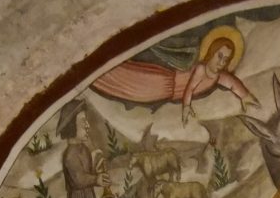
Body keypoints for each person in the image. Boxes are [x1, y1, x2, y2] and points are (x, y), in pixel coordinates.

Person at [91, 25, 258, 124]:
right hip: (164, 83)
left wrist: (245, 96)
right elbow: (190, 89)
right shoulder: (201, 69)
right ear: (211, 53)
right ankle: (99, 71)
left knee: (129, 88)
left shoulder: (218, 76)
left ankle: (99, 72)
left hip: (165, 92)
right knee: (131, 81)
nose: (221, 62)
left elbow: (232, 83)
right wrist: (186, 107)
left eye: (226, 60)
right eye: (219, 56)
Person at [57, 101, 109, 198]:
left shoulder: (84, 149)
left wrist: (97, 166)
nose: (87, 126)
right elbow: (78, 178)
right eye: (82, 122)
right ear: (72, 126)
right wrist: (96, 179)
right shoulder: (70, 155)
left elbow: (88, 171)